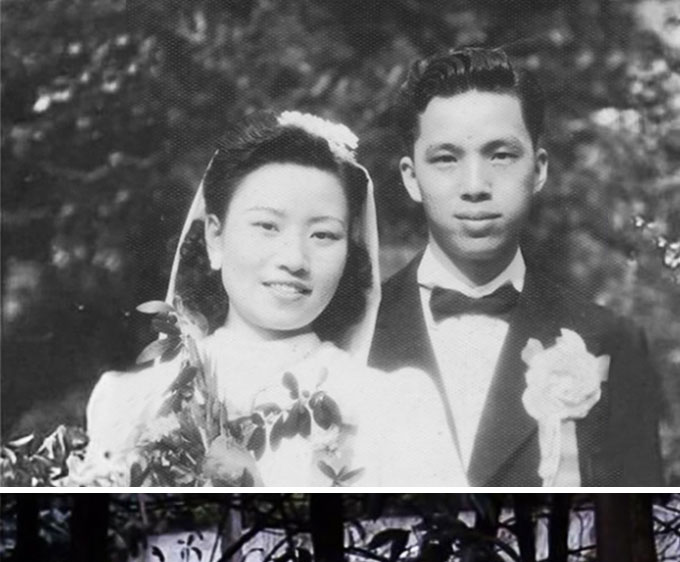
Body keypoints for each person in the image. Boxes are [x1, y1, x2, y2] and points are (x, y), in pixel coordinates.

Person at [71, 110, 463, 487]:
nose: (294, 259)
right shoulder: (130, 403)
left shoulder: (396, 405)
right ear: (214, 237)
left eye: (323, 235)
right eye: (267, 226)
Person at [369, 46, 663, 486]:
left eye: (501, 155)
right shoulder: (352, 331)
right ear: (412, 177)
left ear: (539, 169)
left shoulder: (610, 341)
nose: (474, 186)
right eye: (446, 158)